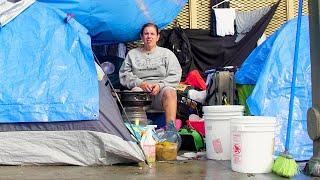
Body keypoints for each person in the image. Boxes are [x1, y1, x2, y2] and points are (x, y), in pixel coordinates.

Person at [119, 23, 182, 127]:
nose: (149, 36)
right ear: (141, 37)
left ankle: (171, 130)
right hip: (141, 93)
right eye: (146, 33)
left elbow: (175, 74)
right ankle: (138, 131)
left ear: (157, 37)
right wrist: (140, 83)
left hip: (160, 94)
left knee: (170, 92)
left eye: (152, 34)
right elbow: (124, 74)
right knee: (135, 92)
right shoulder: (132, 54)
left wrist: (160, 85)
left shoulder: (167, 54)